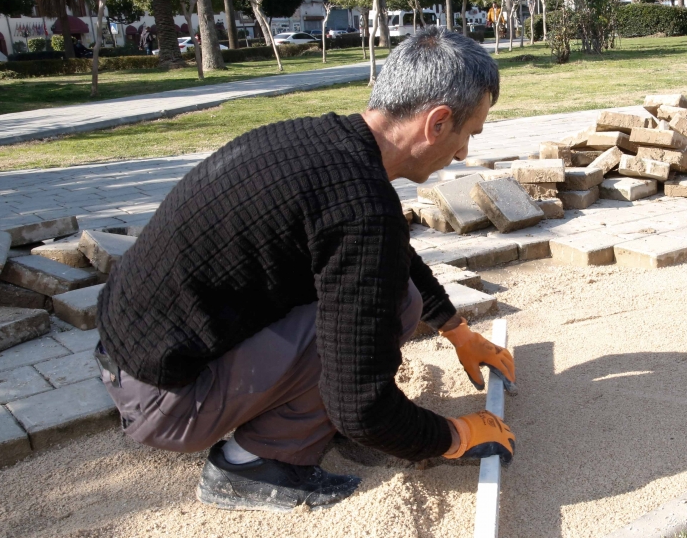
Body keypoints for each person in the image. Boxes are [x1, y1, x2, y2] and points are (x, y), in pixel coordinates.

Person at [95, 27, 518, 512]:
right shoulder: (361, 207)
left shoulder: (322, 143)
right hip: (164, 400)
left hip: (131, 352)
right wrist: (454, 435)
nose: (464, 152)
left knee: (389, 294)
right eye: (470, 133)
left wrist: (456, 329)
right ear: (438, 123)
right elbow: (359, 407)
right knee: (390, 313)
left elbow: (389, 251)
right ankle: (249, 462)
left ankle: (278, 425)